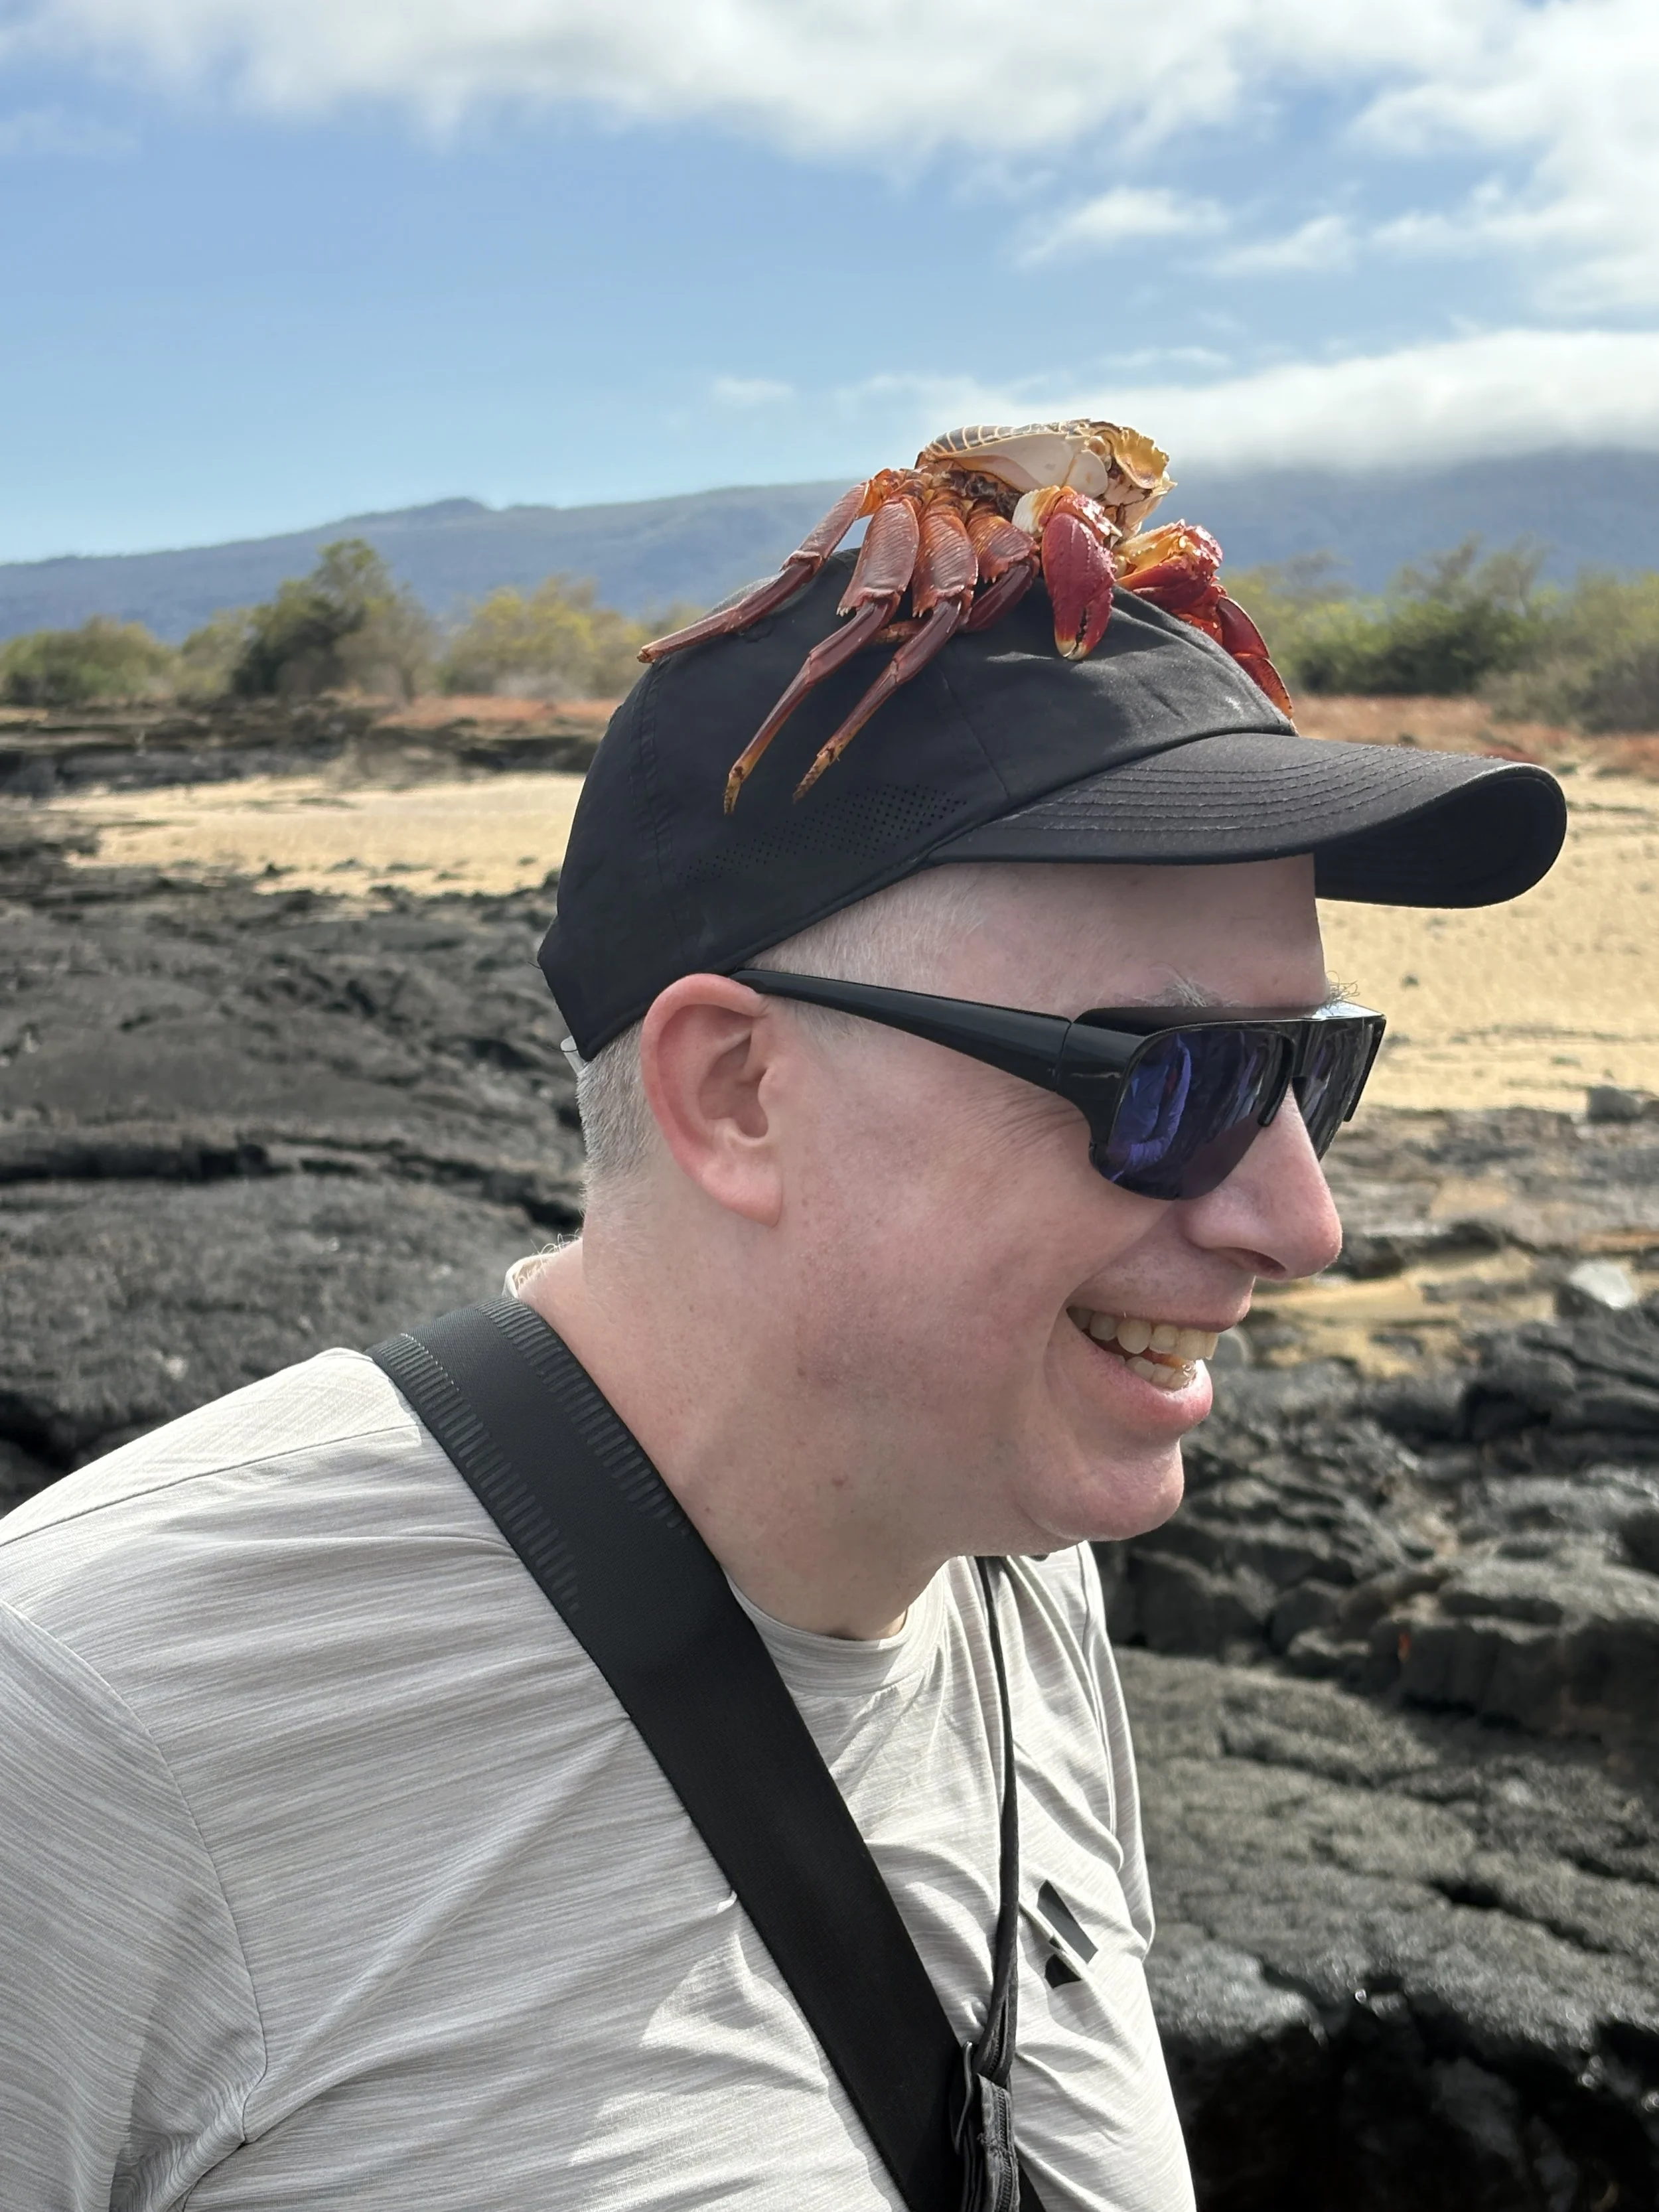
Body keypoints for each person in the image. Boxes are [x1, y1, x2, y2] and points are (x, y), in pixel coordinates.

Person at [0, 538, 1564, 2211]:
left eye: (1312, 1073)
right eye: (1178, 1079)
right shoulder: (87, 1741)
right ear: (735, 1089)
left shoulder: (1008, 1571)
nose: (1300, 1225)